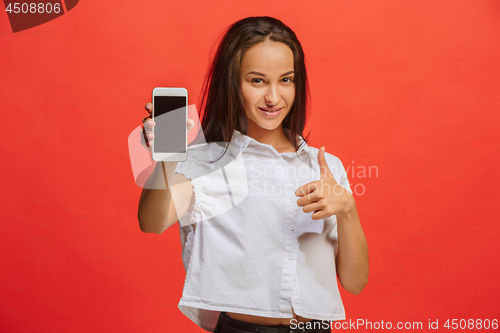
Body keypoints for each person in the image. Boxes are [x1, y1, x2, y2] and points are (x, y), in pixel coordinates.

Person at [138, 16, 369, 333]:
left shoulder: (326, 168)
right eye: (257, 81)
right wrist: (167, 159)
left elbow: (355, 283)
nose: (273, 98)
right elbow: (152, 223)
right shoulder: (204, 162)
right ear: (232, 83)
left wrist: (347, 209)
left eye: (285, 80)